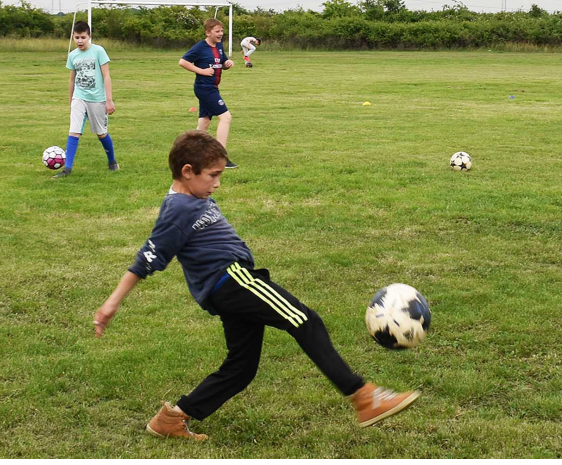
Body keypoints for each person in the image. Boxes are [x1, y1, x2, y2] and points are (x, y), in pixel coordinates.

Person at [93, 130, 420, 440]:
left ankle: (173, 418)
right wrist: (112, 302)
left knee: (242, 367)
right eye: (213, 175)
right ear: (188, 171)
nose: (218, 184)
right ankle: (364, 397)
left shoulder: (190, 196)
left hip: (227, 286)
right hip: (232, 280)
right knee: (304, 320)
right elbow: (147, 257)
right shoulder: (177, 208)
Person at [53, 21, 117, 179]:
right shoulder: (72, 55)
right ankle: (67, 169)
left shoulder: (99, 51)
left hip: (97, 99)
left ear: (89, 37)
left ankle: (112, 162)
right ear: (73, 37)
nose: (80, 41)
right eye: (77, 37)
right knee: (74, 131)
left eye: (83, 37)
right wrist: (71, 100)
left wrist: (109, 100)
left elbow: (106, 76)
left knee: (101, 134)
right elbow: (71, 80)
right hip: (79, 97)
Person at [179, 18, 238, 169]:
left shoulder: (218, 46)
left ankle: (189, 154)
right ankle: (220, 157)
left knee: (204, 123)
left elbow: (221, 63)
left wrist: (227, 64)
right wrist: (202, 71)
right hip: (205, 89)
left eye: (222, 31)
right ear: (208, 32)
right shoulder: (200, 47)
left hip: (212, 87)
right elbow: (183, 61)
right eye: (217, 31)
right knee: (226, 117)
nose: (221, 34)